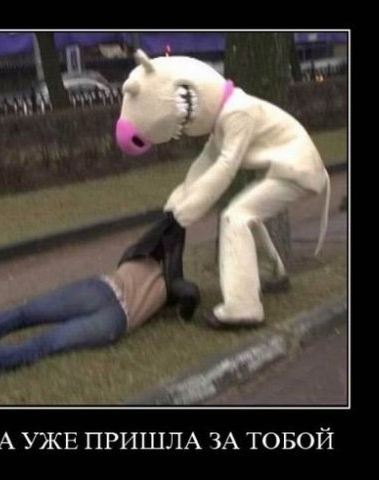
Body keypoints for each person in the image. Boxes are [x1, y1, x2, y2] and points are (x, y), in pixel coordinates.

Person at [115, 49, 331, 328]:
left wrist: (186, 212)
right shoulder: (224, 118)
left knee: (235, 218)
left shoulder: (237, 113)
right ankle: (271, 273)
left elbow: (226, 166)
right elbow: (205, 162)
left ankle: (243, 307)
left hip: (299, 170)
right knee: (244, 212)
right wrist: (175, 204)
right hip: (293, 169)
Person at [0, 212, 200, 384]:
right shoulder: (172, 285)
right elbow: (191, 295)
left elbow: (162, 230)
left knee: (24, 313)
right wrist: (180, 305)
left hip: (101, 289)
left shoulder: (135, 256)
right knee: (40, 345)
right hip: (115, 319)